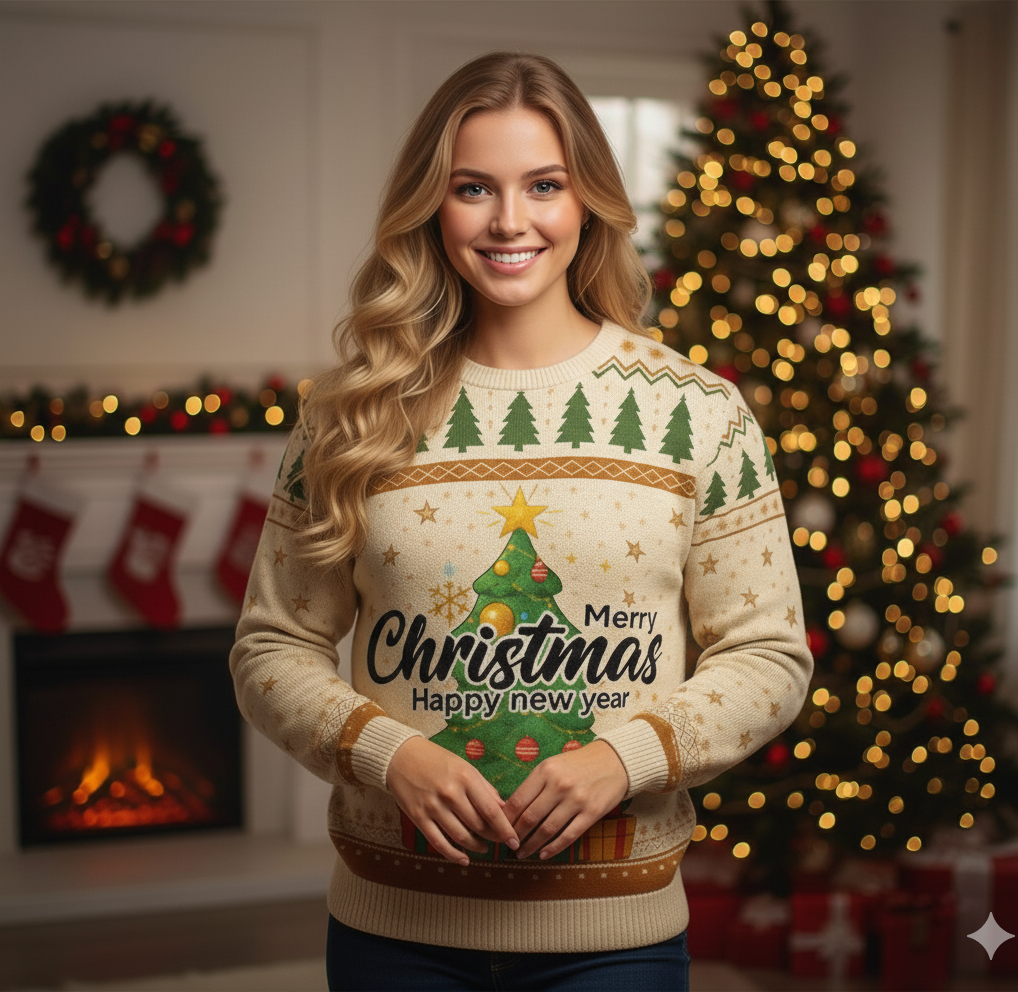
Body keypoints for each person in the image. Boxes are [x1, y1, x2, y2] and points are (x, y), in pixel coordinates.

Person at [230, 51, 813, 991]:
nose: (511, 221)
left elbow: (768, 655)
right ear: (433, 206)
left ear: (588, 202)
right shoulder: (351, 414)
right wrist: (389, 753)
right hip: (394, 930)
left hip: (615, 936)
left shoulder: (697, 414)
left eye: (544, 185)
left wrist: (624, 761)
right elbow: (271, 649)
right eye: (474, 188)